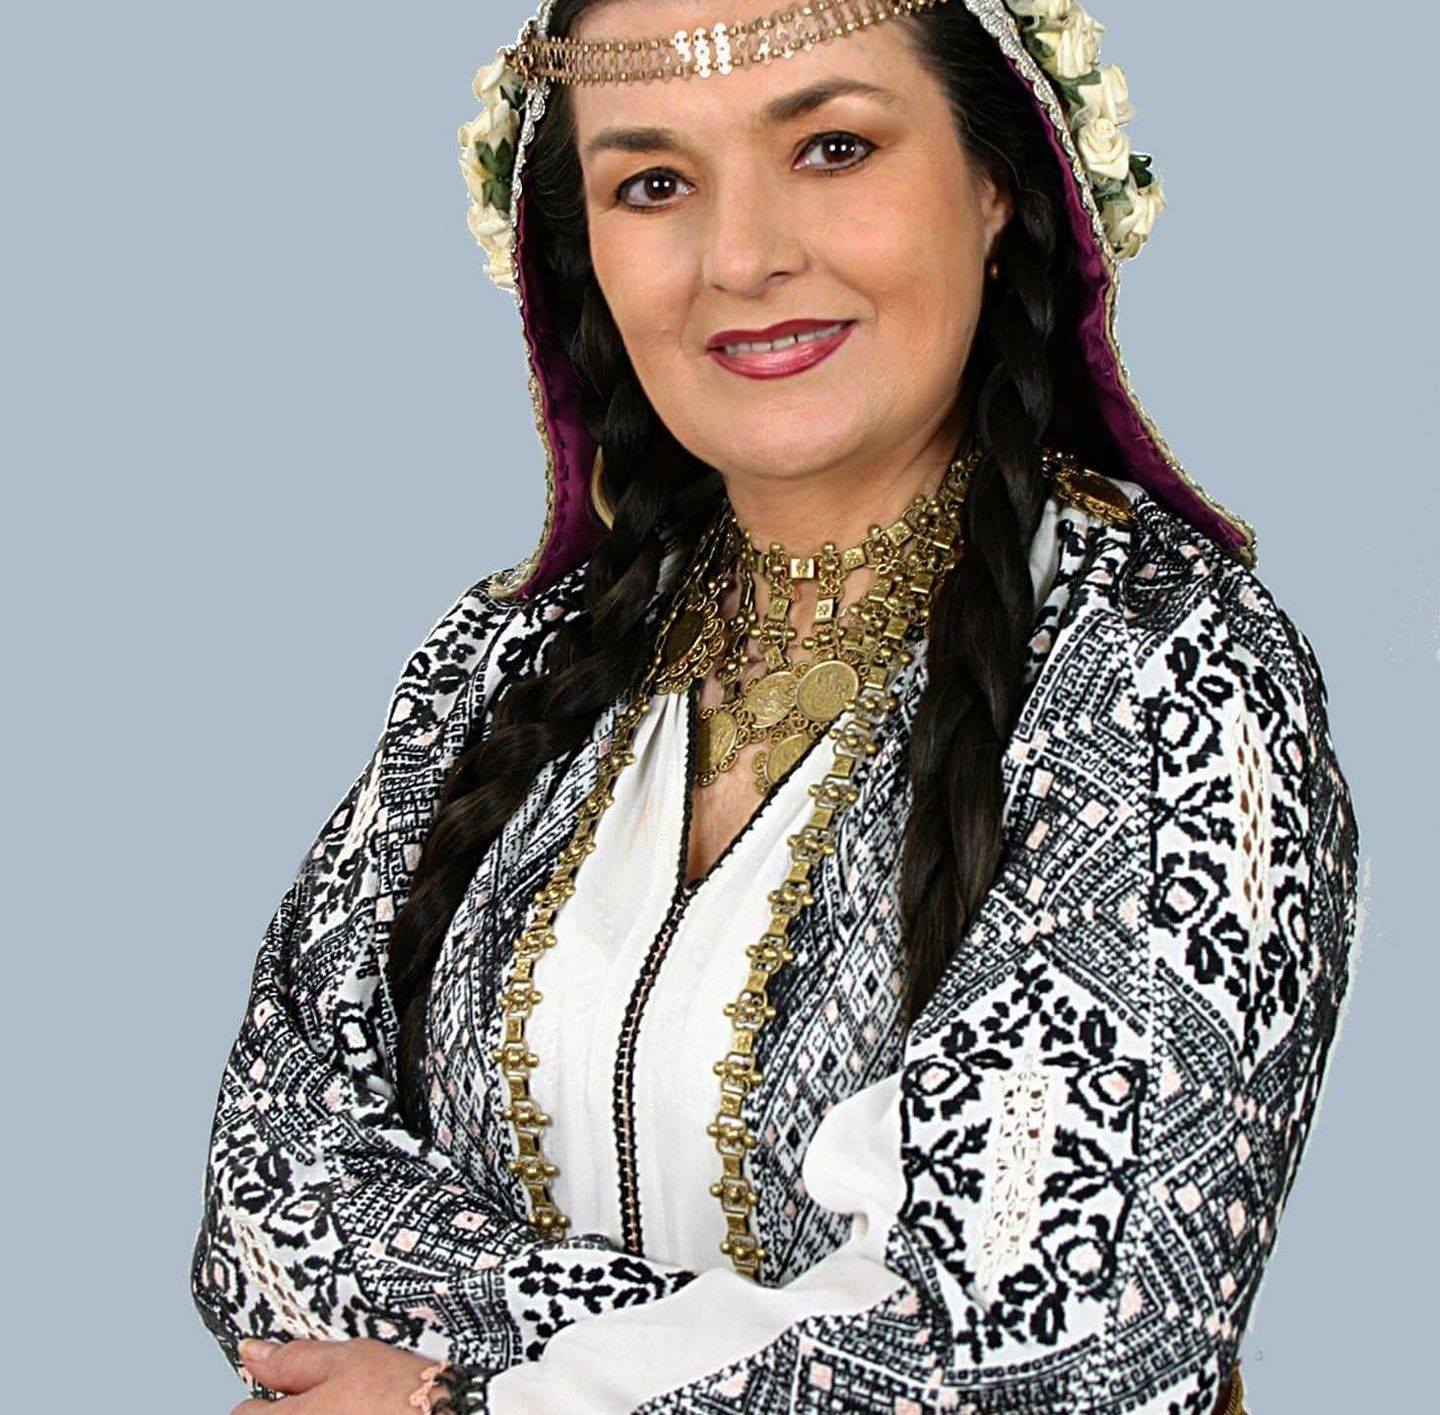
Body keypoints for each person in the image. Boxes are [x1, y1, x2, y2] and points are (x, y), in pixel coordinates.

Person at [190, 3, 1361, 1411]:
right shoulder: (501, 664)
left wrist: (459, 1400)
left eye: (834, 148)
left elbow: (1049, 1355)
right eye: (654, 183)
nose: (741, 257)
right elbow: (266, 1222)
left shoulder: (1173, 671)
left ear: (1002, 182)